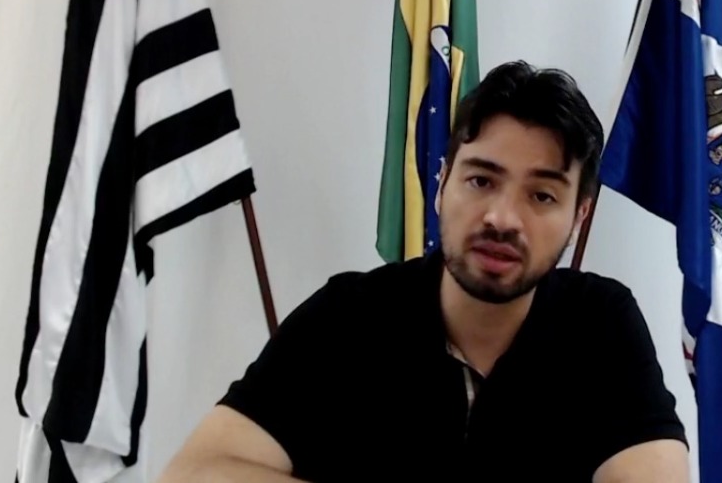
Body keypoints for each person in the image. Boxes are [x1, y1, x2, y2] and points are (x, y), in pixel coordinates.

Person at [157, 61, 689, 482]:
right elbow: (195, 472)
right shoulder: (350, 315)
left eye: (542, 195)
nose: (502, 218)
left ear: (579, 216)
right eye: (481, 181)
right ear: (441, 185)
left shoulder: (601, 322)